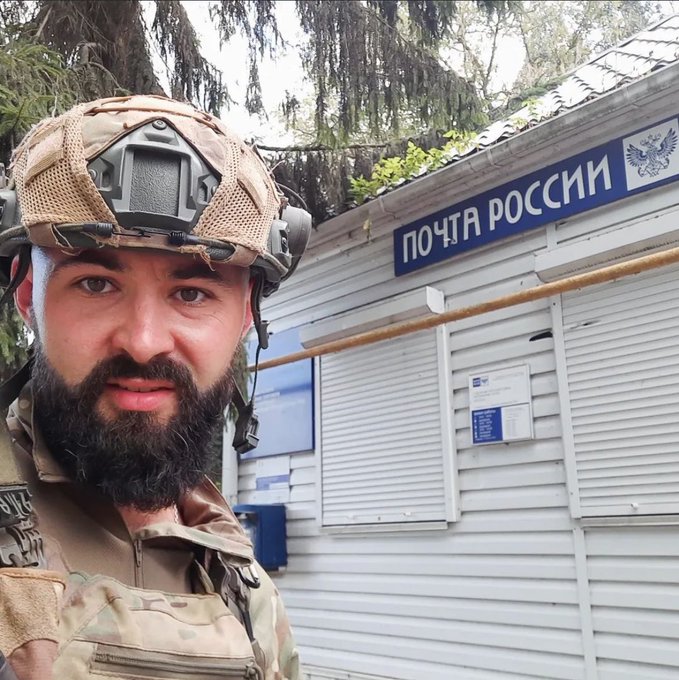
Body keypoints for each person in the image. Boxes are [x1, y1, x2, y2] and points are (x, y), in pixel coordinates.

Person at [0, 94, 311, 680]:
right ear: (28, 298)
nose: (143, 342)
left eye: (192, 293)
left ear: (245, 317)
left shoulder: (239, 578)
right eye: (96, 284)